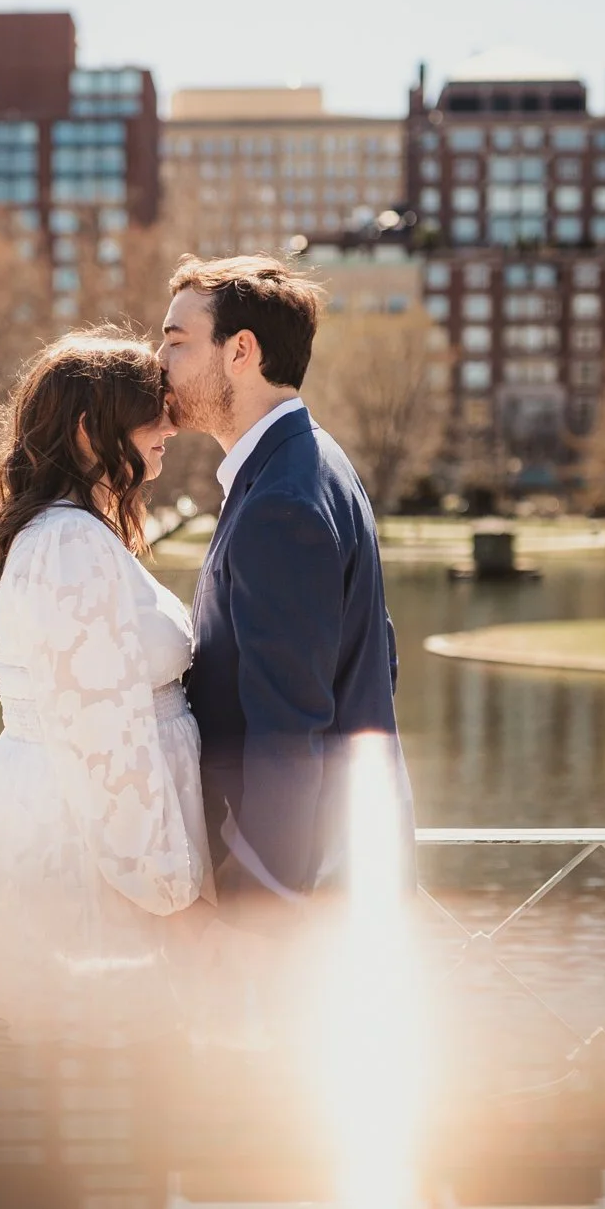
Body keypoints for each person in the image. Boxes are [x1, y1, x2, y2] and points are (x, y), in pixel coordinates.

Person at [0, 331, 209, 1039]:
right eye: (150, 413)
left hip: (96, 839)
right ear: (89, 430)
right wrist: (171, 894)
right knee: (106, 1073)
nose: (169, 425)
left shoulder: (74, 534)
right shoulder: (68, 545)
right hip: (98, 853)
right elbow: (102, 735)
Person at [159, 255, 410, 936]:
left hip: (289, 901)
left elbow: (287, 735)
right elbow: (377, 660)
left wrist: (258, 908)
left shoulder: (282, 501)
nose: (159, 362)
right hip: (334, 872)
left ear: (240, 351)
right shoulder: (310, 463)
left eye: (177, 341)